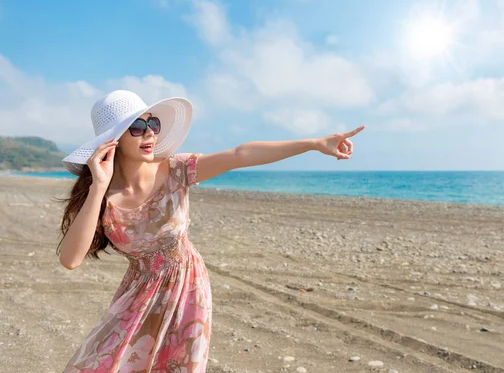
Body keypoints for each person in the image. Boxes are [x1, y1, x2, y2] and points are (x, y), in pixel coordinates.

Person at [56, 89, 365, 372]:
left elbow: (239, 154)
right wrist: (98, 185)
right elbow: (70, 259)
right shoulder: (103, 196)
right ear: (114, 140)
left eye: (152, 124)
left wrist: (312, 144)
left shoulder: (176, 170)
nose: (149, 132)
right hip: (136, 295)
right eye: (137, 127)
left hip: (186, 289)